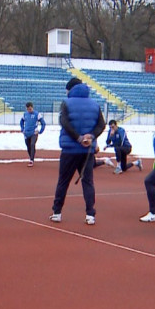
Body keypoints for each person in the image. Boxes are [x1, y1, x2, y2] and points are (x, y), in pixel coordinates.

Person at [49, 78, 105, 226]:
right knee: (88, 182)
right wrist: (91, 136)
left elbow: (65, 123)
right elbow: (101, 124)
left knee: (63, 181)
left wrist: (79, 138)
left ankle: (57, 212)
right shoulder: (95, 104)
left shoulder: (66, 103)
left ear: (71, 89)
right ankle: (90, 214)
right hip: (87, 151)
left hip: (69, 149)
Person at [19, 102, 45, 167]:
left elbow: (43, 123)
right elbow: (21, 121)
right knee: (28, 146)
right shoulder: (25, 114)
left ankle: (31, 160)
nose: (29, 110)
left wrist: (40, 131)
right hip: (26, 133)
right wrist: (22, 129)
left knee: (32, 144)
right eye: (28, 109)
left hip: (34, 133)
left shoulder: (37, 114)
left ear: (32, 107)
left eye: (30, 109)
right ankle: (31, 157)